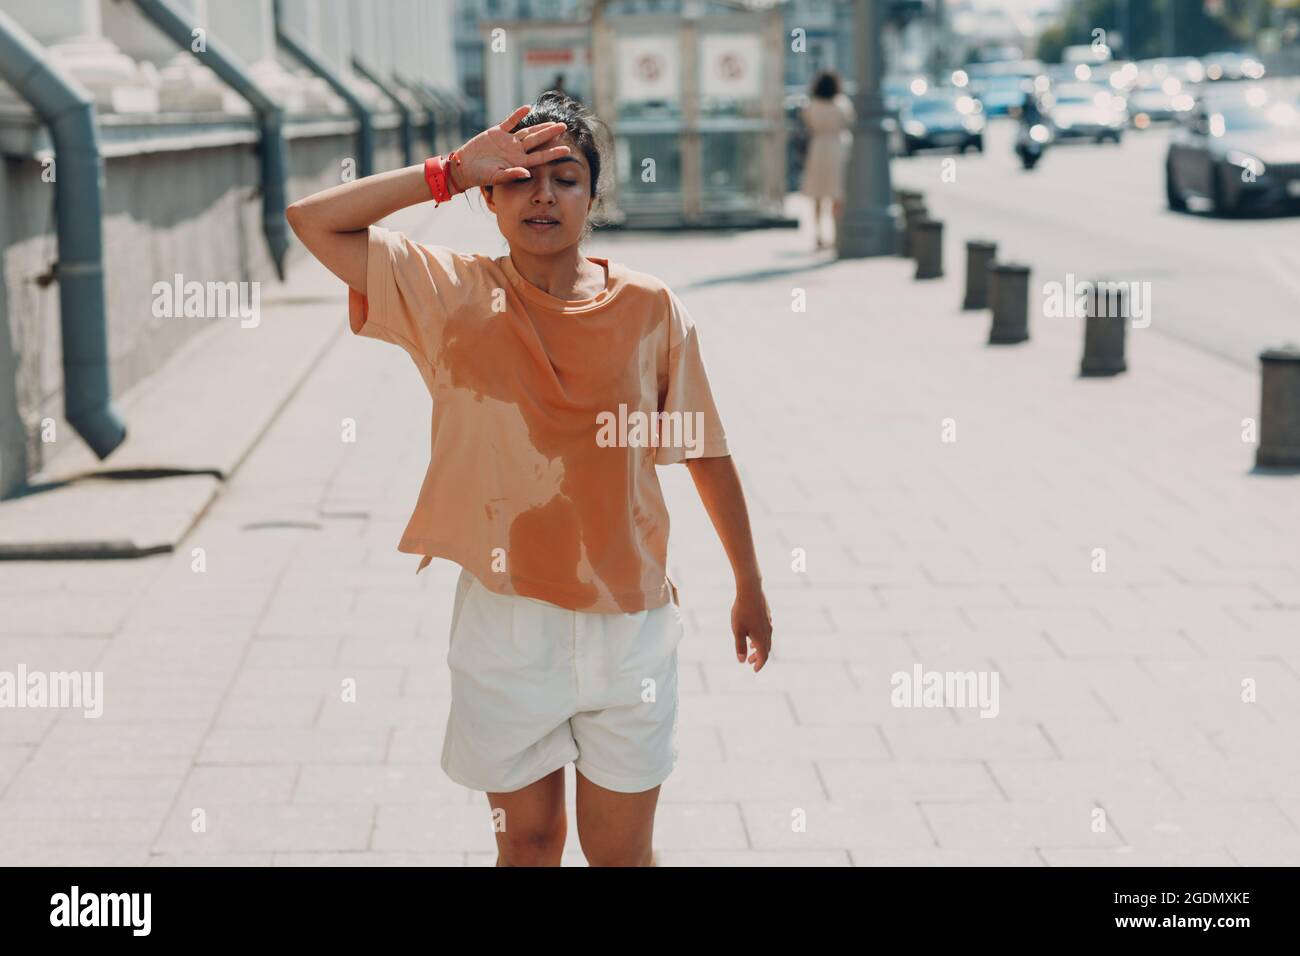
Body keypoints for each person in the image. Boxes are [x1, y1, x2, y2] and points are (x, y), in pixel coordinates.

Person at [285, 91, 773, 867]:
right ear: (490, 194)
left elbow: (704, 451)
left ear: (593, 195)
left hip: (630, 623)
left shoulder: (651, 310)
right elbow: (313, 219)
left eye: (566, 177)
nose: (542, 195)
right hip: (506, 624)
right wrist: (445, 171)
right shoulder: (446, 294)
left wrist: (749, 583)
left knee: (621, 856)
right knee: (532, 846)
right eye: (517, 177)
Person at [800, 69, 855, 251]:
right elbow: (850, 121)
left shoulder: (812, 105)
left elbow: (807, 123)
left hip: (818, 148)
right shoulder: (841, 103)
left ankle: (818, 235)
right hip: (838, 148)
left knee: (818, 195)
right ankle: (837, 235)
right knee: (837, 194)